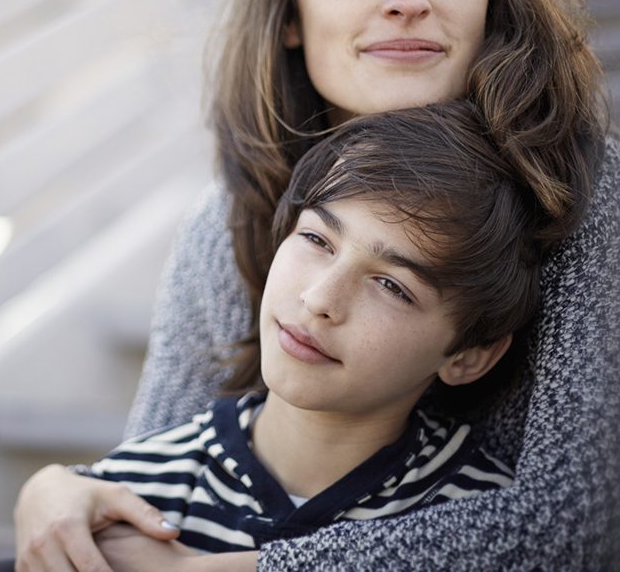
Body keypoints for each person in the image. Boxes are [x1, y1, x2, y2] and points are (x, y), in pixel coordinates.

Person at [13, 0, 620, 571]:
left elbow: (585, 527)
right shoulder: (229, 220)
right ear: (289, 12)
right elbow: (151, 488)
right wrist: (55, 489)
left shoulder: (580, 188)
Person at [82, 101, 538, 552]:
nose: (320, 299)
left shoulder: (492, 526)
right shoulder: (130, 496)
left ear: (469, 355)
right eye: (317, 239)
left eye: (392, 286)